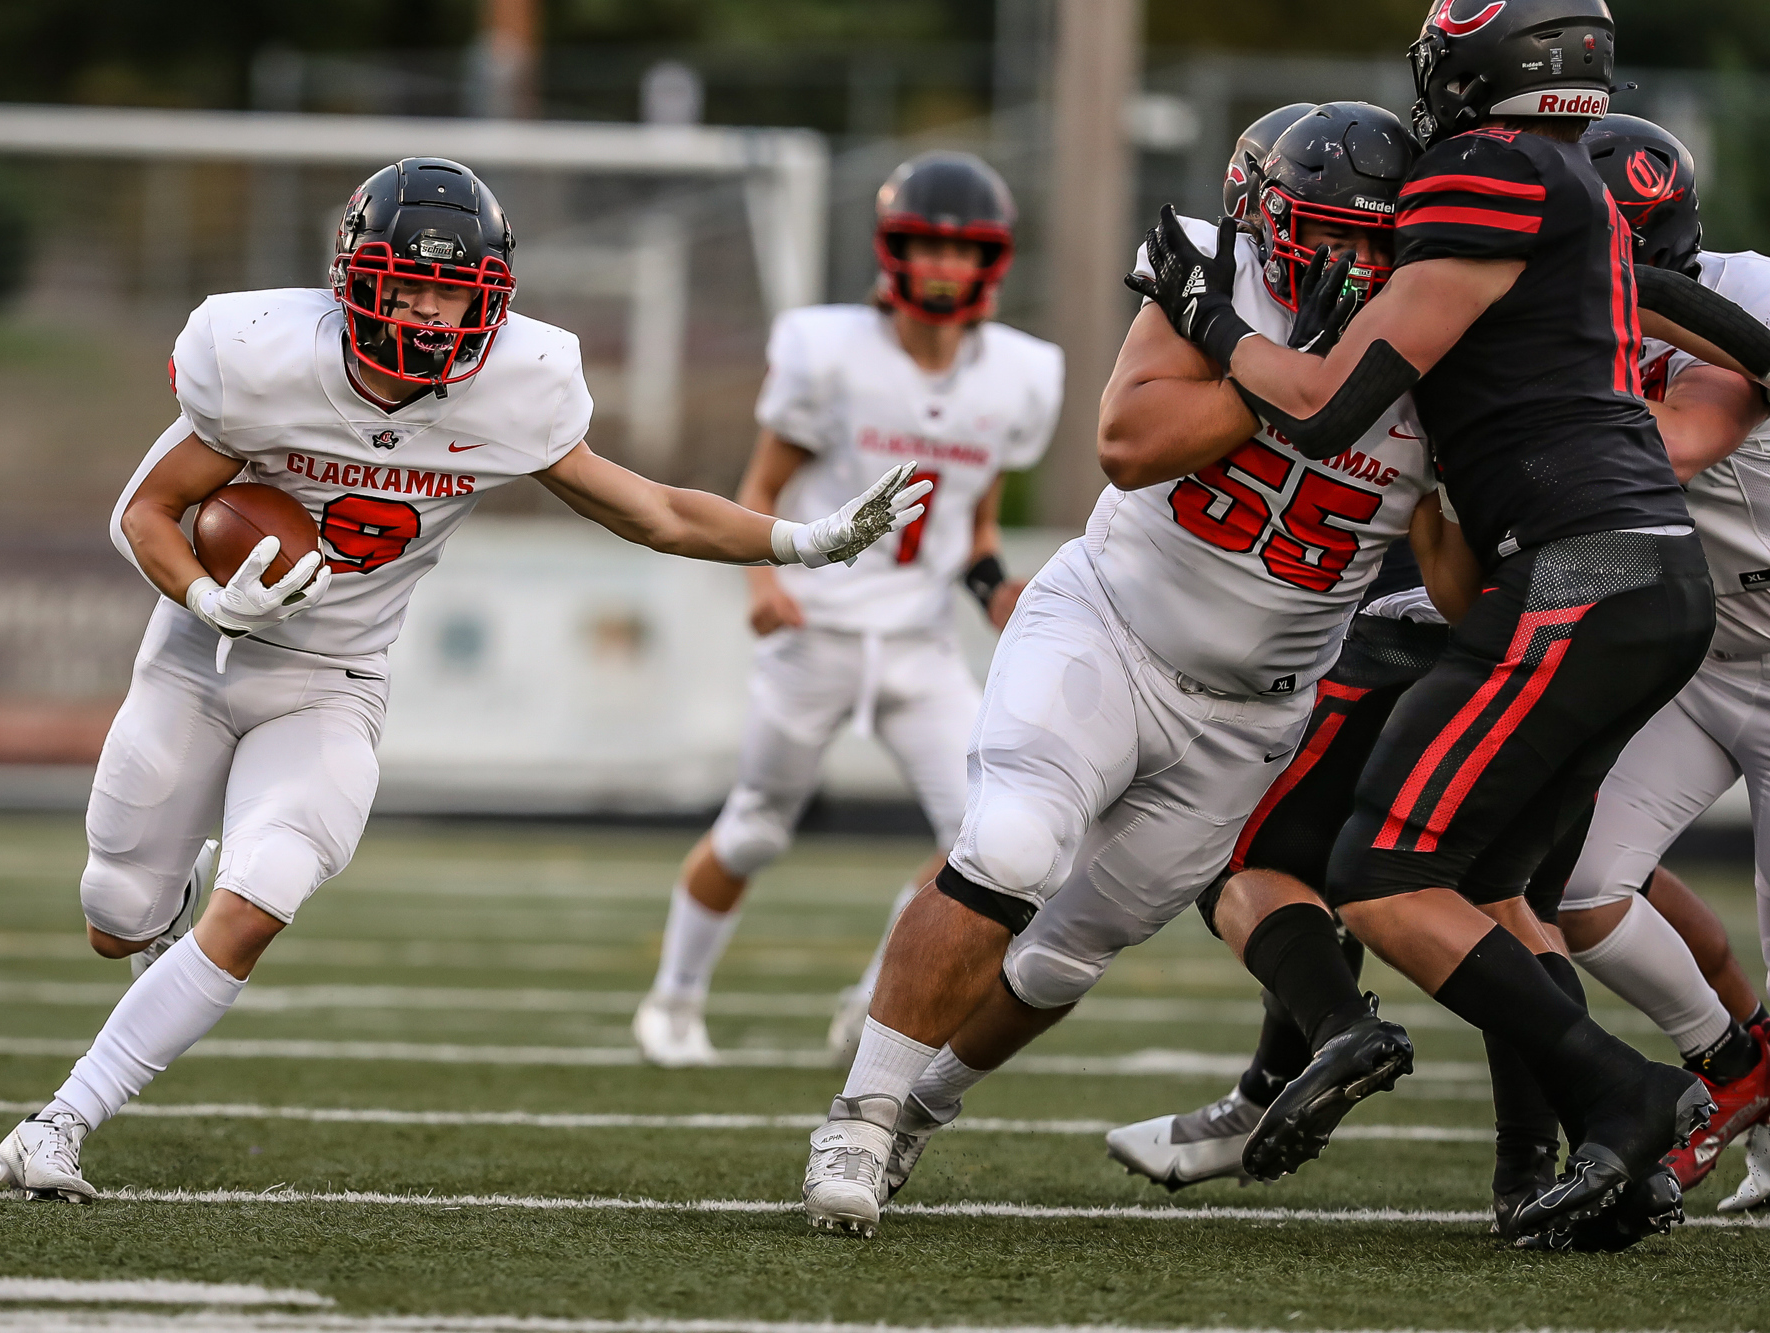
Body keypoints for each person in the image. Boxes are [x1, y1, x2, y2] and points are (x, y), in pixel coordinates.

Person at [0, 157, 930, 1202]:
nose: (431, 314)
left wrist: (807, 537)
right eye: (407, 286)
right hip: (196, 660)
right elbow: (146, 511)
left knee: (264, 899)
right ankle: (164, 897)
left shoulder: (514, 387)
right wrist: (210, 599)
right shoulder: (259, 357)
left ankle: (61, 1121)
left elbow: (651, 509)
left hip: (332, 679)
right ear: (353, 279)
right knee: (115, 917)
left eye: (452, 291)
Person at [1109, 115, 1770, 1235]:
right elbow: (1466, 562)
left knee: (1385, 867)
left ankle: (1641, 1093)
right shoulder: (1490, 325)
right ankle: (1643, 1103)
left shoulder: (1683, 296)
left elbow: (1658, 447)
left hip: (1620, 580)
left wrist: (1202, 315)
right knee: (1549, 887)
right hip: (1667, 623)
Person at [801, 102, 1442, 1238]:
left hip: (1249, 716)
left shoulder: (1441, 345)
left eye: (1367, 240)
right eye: (1320, 231)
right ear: (1262, 219)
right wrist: (1297, 381)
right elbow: (1129, 442)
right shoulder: (1215, 275)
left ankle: (919, 1109)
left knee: (1063, 957)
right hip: (1107, 626)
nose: (1342, 261)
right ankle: (857, 1111)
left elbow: (1451, 574)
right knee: (1005, 846)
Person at [631, 152, 1061, 1069]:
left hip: (916, 641)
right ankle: (672, 997)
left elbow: (972, 522)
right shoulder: (828, 351)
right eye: (927, 247)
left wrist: (997, 591)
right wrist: (762, 581)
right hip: (816, 631)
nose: (943, 268)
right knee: (754, 825)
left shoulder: (1019, 375)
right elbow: (763, 483)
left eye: (961, 250)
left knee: (983, 840)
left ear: (992, 260)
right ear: (892, 250)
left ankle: (877, 994)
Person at [1557, 114, 1770, 1198]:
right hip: (1703, 658)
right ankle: (1730, 1061)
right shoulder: (1565, 336)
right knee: (1577, 885)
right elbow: (1617, 540)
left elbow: (1676, 443)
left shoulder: (1752, 296)